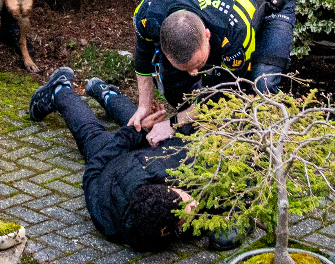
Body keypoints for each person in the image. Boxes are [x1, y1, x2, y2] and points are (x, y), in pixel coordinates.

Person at [127, 0, 312, 131]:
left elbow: (228, 88)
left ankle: (258, 138)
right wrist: (143, 106)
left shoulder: (234, 28)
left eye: (197, 65)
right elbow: (144, 58)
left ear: (207, 34)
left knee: (260, 88)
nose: (194, 73)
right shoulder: (147, 14)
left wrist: (173, 124)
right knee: (175, 83)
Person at [27, 67, 206, 251]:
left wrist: (141, 130)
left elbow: (92, 173)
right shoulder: (178, 168)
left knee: (128, 126)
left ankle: (79, 91)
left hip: (115, 161)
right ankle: (78, 91)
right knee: (102, 131)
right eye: (188, 201)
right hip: (128, 160)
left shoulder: (109, 221)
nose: (195, 203)